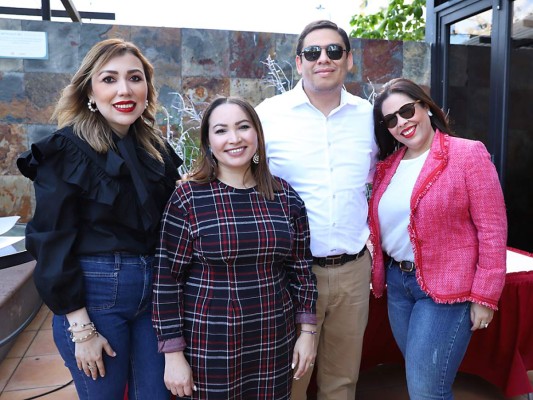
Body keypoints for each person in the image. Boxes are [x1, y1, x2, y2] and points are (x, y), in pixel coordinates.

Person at [16, 38, 182, 399]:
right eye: (109, 79)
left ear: (148, 89)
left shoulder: (156, 150)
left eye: (135, 78)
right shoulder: (65, 150)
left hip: (154, 296)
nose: (124, 89)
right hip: (96, 299)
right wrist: (82, 329)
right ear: (89, 90)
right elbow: (50, 239)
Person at [152, 96, 318, 399]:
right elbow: (167, 280)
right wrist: (172, 353)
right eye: (221, 130)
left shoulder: (284, 197)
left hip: (273, 337)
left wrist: (307, 331)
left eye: (243, 127)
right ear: (208, 142)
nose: (234, 138)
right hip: (210, 341)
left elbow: (301, 272)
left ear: (257, 133)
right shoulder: (189, 198)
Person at [255, 19, 378, 400]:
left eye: (333, 51)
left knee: (342, 382)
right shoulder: (267, 115)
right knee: (288, 380)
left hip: (354, 270)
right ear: (299, 62)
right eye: (313, 52)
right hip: (291, 273)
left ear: (349, 59)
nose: (323, 58)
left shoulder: (370, 118)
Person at [369, 77, 508, 399]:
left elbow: (493, 228)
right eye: (391, 119)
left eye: (407, 110)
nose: (402, 122)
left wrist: (485, 296)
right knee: (424, 381)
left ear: (425, 107)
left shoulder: (467, 154)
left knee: (427, 390)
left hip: (447, 291)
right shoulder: (386, 167)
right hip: (399, 288)